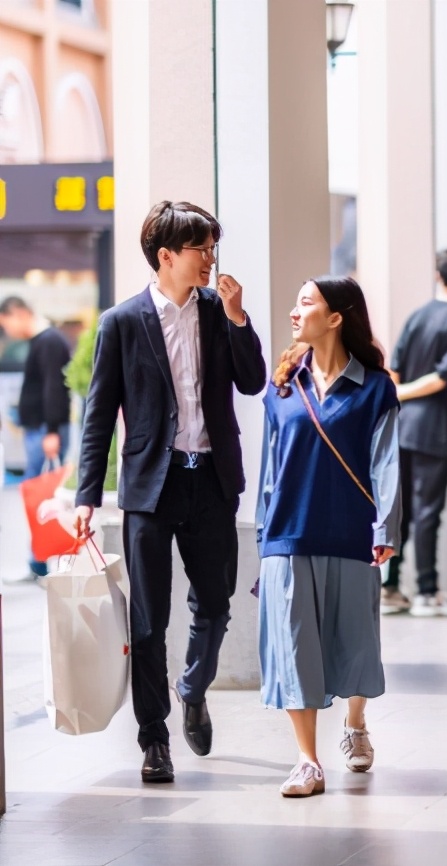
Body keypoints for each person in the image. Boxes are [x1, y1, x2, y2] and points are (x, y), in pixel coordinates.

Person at [74, 201, 266, 783]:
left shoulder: (217, 310)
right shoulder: (122, 322)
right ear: (166, 256)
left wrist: (238, 319)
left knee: (215, 603)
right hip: (149, 489)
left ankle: (193, 687)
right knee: (149, 620)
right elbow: (98, 413)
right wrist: (87, 494)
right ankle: (153, 739)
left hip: (210, 479)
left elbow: (253, 382)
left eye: (213, 248)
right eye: (200, 250)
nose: (210, 260)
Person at [257, 276, 399, 797]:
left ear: (336, 317)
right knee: (296, 648)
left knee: (355, 642)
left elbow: (386, 463)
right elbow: (270, 470)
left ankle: (355, 724)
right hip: (288, 533)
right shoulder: (282, 386)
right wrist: (262, 540)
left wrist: (385, 527)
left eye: (306, 302)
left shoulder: (375, 388)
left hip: (351, 533)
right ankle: (307, 761)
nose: (295, 312)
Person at [384, 249, 447, 617]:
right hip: (435, 428)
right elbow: (443, 378)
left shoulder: (417, 316)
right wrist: (405, 391)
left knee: (401, 509)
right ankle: (426, 591)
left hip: (402, 424)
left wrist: (398, 394)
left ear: (439, 275)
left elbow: (394, 367)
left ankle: (391, 587)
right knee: (427, 511)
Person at [0, 296, 72, 582]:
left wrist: (52, 429)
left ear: (18, 314)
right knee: (37, 496)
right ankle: (38, 561)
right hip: (41, 429)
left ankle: (42, 562)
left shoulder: (50, 341)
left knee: (42, 497)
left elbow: (56, 387)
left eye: (6, 324)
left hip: (45, 431)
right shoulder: (44, 340)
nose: (7, 331)